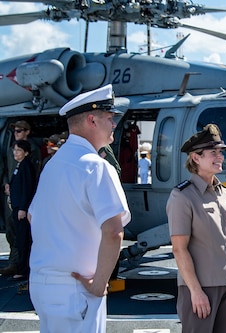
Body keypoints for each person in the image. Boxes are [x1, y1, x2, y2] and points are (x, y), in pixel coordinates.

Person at [28, 84, 131, 333]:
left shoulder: (53, 164)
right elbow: (113, 231)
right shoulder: (97, 167)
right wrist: (99, 285)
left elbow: (33, 216)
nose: (114, 125)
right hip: (78, 288)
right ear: (91, 120)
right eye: (110, 118)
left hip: (43, 284)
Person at [166, 124, 226, 333]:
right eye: (213, 153)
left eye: (220, 152)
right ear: (196, 158)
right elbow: (179, 249)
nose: (220, 157)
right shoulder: (182, 196)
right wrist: (195, 291)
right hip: (201, 287)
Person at [0, 120, 41, 276]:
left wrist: (24, 206)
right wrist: (6, 184)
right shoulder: (13, 151)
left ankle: (21, 265)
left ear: (27, 132)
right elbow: (6, 169)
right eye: (15, 131)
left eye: (19, 130)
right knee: (12, 232)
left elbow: (31, 180)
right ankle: (14, 262)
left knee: (23, 235)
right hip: (12, 197)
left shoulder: (31, 153)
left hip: (22, 201)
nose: (16, 133)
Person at [5, 140, 36, 280]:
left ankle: (24, 269)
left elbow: (27, 189)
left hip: (22, 209)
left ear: (26, 152)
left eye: (18, 150)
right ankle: (21, 266)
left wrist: (23, 208)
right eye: (14, 150)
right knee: (19, 238)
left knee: (24, 240)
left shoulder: (26, 166)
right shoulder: (19, 165)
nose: (15, 153)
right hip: (16, 207)